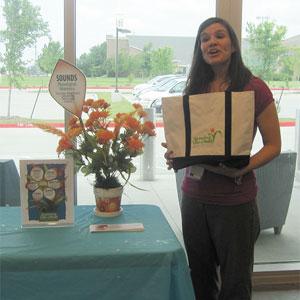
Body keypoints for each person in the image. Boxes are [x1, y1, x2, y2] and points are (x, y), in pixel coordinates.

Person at [162, 17, 281, 300]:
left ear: (233, 45)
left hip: (235, 203)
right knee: (200, 278)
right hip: (194, 198)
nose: (211, 42)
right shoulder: (193, 90)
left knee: (235, 283)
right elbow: (189, 144)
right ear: (199, 49)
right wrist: (176, 152)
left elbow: (273, 145)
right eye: (205, 38)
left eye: (219, 36)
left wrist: (242, 170)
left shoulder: (254, 88)